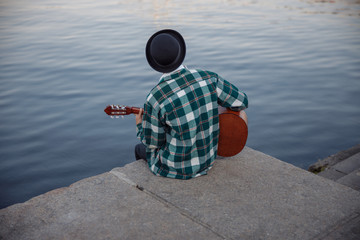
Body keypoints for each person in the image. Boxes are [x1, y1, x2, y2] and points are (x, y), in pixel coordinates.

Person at [134, 29, 248, 179]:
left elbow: (153, 142)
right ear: (180, 53)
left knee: (139, 149)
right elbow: (242, 101)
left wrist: (140, 124)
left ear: (155, 63)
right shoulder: (208, 77)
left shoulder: (155, 98)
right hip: (208, 160)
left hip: (175, 168)